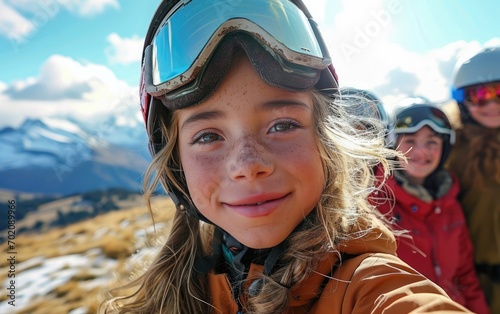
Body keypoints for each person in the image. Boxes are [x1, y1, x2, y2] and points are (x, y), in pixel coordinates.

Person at [102, 1, 471, 313]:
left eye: (281, 125)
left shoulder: (367, 287)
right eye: (209, 136)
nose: (247, 165)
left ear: (326, 141)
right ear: (176, 167)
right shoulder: (181, 289)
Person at [375, 98, 490, 313]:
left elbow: (465, 277)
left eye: (432, 142)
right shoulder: (376, 204)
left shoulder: (449, 205)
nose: (421, 151)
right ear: (393, 144)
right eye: (410, 140)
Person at [446, 46, 500, 313]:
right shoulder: (452, 150)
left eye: (499, 92)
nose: (491, 104)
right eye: (479, 95)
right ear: (462, 101)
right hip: (477, 283)